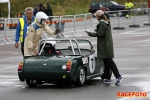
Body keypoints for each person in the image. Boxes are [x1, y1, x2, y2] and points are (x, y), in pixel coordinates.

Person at [85, 10, 123, 85]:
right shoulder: (105, 22)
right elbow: (102, 31)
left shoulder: (102, 23)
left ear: (98, 16)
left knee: (109, 62)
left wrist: (90, 33)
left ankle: (118, 76)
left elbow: (100, 34)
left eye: (96, 16)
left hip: (105, 45)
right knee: (106, 62)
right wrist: (95, 30)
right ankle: (107, 78)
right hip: (106, 44)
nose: (95, 17)